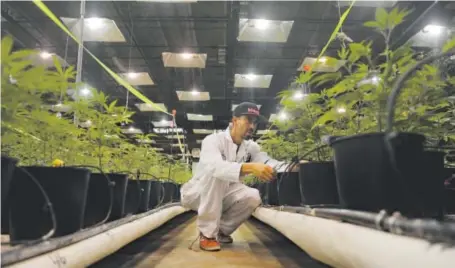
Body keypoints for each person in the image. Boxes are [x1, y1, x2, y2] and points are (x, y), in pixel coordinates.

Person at [180, 102, 300, 251]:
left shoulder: (250, 147)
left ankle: (221, 231)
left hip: (224, 194)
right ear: (235, 120)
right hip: (198, 193)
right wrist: (250, 167)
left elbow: (267, 162)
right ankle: (207, 234)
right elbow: (215, 167)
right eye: (248, 120)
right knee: (218, 175)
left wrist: (294, 166)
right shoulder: (213, 140)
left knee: (253, 196)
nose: (252, 126)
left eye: (254, 122)